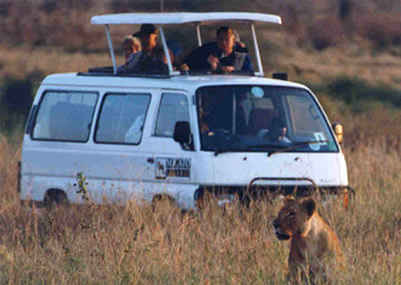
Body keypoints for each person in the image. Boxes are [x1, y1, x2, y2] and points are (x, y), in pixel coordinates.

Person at [181, 26, 253, 73]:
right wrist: (210, 66)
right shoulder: (205, 53)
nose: (223, 42)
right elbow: (189, 66)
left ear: (234, 42)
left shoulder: (242, 58)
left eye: (227, 39)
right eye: (220, 39)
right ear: (216, 40)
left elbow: (249, 74)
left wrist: (233, 71)